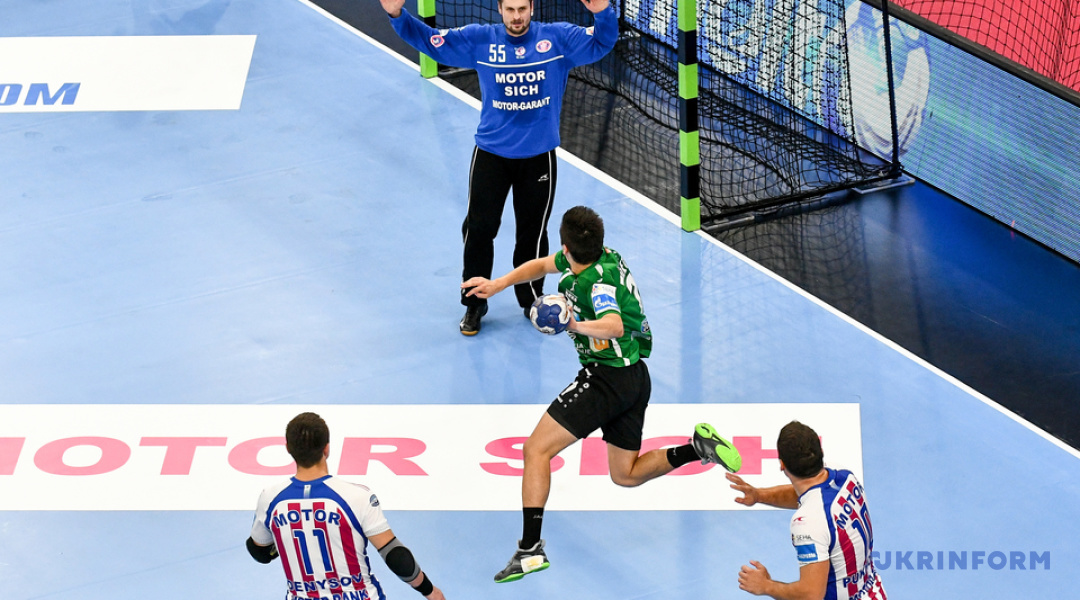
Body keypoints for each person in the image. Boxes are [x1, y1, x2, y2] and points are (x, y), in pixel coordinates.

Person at [463, 206, 743, 582]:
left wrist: (572, 323)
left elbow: (613, 324)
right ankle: (697, 448)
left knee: (535, 450)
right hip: (635, 377)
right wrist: (498, 284)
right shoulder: (600, 257)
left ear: (566, 245)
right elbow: (541, 266)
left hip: (605, 379)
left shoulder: (596, 286)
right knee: (625, 474)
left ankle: (529, 551)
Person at [379, 0, 618, 335]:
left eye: (522, 8)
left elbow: (602, 43)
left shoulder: (557, 39)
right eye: (510, 9)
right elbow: (433, 42)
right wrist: (396, 16)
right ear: (500, 9)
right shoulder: (480, 40)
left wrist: (603, 12)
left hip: (538, 157)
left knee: (532, 233)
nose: (516, 16)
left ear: (532, 7)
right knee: (479, 230)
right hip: (491, 155)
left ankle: (531, 299)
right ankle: (474, 304)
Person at [246, 412, 446, 600]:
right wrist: (429, 591)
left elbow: (259, 551)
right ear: (326, 448)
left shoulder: (270, 498)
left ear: (288, 448)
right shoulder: (357, 496)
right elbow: (395, 555)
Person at [726, 421, 887, 600]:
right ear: (819, 453)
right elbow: (807, 495)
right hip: (873, 593)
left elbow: (811, 595)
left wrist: (766, 586)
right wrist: (758, 495)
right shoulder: (844, 477)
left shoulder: (807, 522)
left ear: (782, 464)